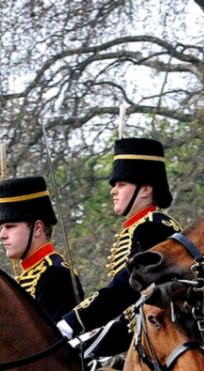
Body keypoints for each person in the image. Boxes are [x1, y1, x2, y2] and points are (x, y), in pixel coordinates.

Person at [55, 137, 180, 356]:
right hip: (136, 336)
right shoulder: (139, 227)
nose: (113, 190)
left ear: (145, 189)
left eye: (121, 184)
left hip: (162, 338)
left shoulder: (154, 228)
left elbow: (124, 289)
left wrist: (72, 323)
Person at [0, 174, 83, 320]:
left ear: (37, 228)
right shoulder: (27, 275)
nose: (2, 235)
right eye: (2, 227)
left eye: (10, 226)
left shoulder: (56, 275)